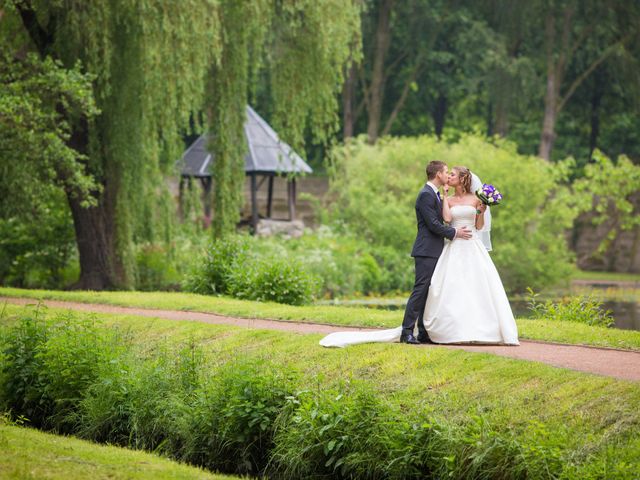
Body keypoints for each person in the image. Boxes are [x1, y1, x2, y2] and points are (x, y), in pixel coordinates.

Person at [422, 166, 519, 345]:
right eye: (448, 173)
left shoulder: (476, 199)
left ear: (462, 179)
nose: (449, 176)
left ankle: (482, 329)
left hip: (472, 245)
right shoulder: (448, 199)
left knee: (478, 285)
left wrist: (481, 211)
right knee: (452, 286)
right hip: (454, 246)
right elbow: (448, 220)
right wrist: (444, 197)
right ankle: (453, 330)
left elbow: (480, 226)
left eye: (452, 174)